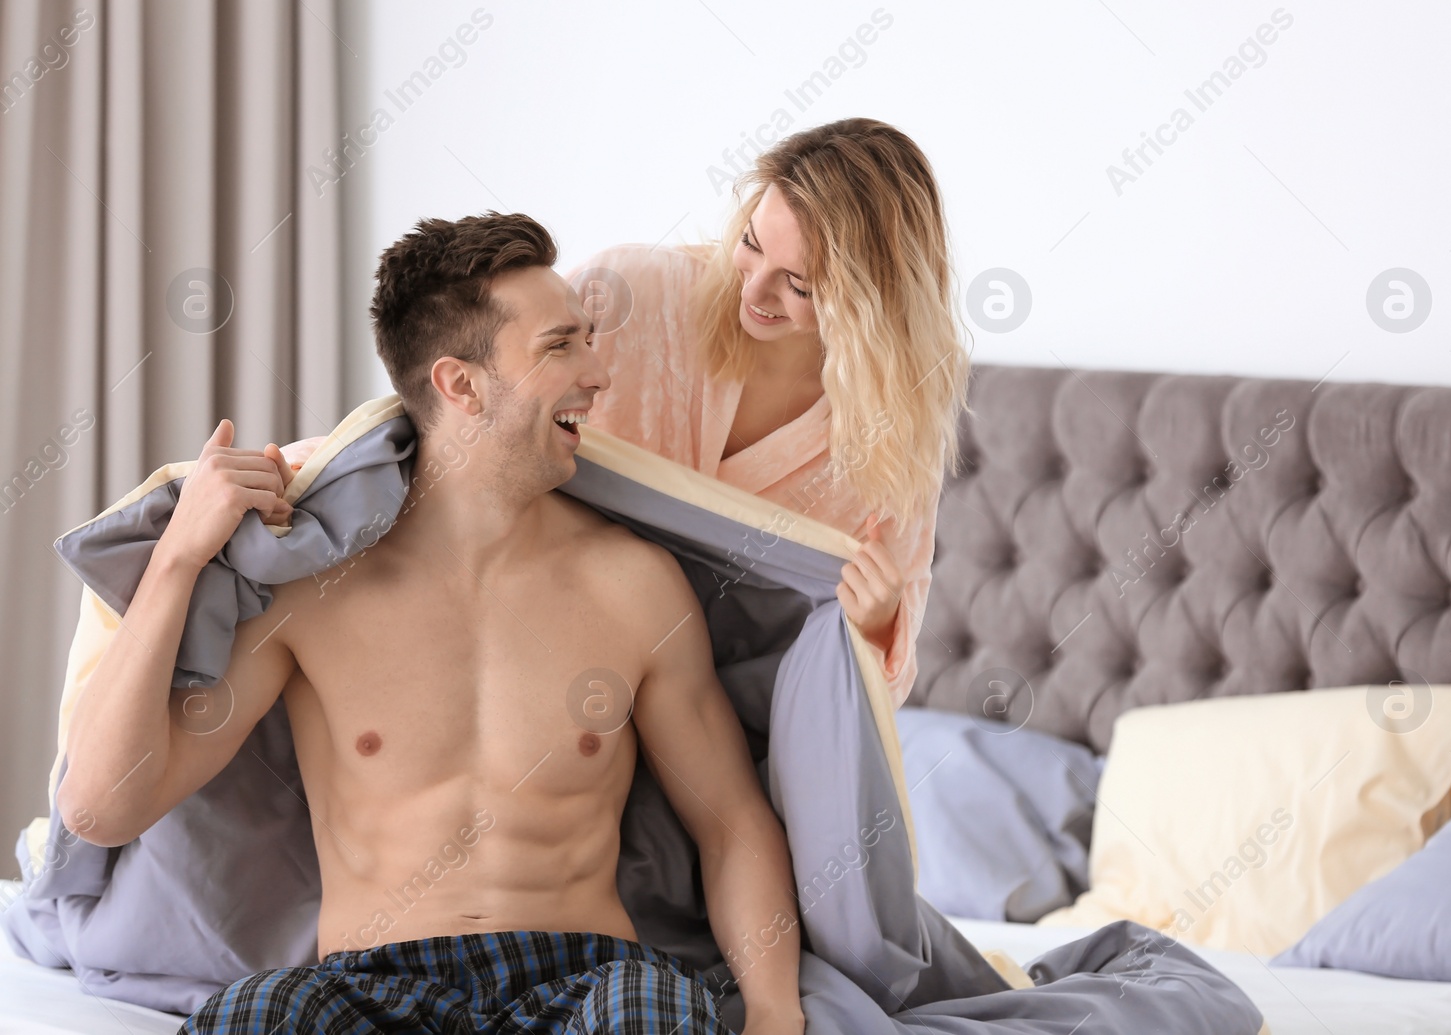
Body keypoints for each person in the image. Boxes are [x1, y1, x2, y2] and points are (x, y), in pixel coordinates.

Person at [54, 213, 804, 1035]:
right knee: (255, 1015)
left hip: (589, 978)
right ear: (461, 383)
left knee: (654, 1016)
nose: (598, 373)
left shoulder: (636, 586)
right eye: (561, 346)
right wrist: (178, 559)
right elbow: (100, 807)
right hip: (369, 983)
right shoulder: (310, 591)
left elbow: (731, 822)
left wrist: (773, 1012)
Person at [565, 117, 971, 708]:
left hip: (720, 705)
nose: (752, 292)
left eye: (799, 286)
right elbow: (495, 416)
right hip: (551, 638)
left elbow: (885, 685)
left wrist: (880, 624)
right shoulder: (623, 295)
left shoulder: (892, 430)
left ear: (869, 302)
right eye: (752, 245)